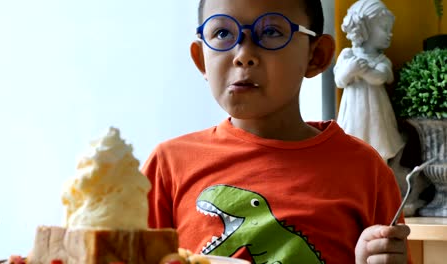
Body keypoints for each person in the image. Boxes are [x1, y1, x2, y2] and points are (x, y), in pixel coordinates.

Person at [142, 0, 411, 263]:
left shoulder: (364, 169)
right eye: (223, 33)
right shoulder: (168, 166)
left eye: (271, 32)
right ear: (201, 60)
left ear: (316, 56)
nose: (243, 55)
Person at [334, 0, 405, 163]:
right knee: (352, 144)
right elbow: (339, 81)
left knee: (379, 142)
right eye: (384, 28)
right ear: (365, 29)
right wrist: (349, 70)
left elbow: (381, 77)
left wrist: (363, 71)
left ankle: (380, 173)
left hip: (376, 111)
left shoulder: (382, 60)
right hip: (353, 113)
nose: (390, 33)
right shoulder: (347, 55)